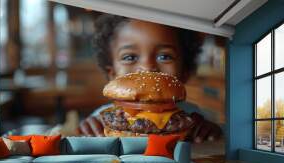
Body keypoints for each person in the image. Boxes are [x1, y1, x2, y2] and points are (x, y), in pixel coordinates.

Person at [78, 15, 222, 143]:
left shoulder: (192, 118)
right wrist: (87, 127)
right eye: (130, 57)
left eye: (164, 56)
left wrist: (211, 131)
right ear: (112, 74)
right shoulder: (103, 119)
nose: (147, 68)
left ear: (184, 71)